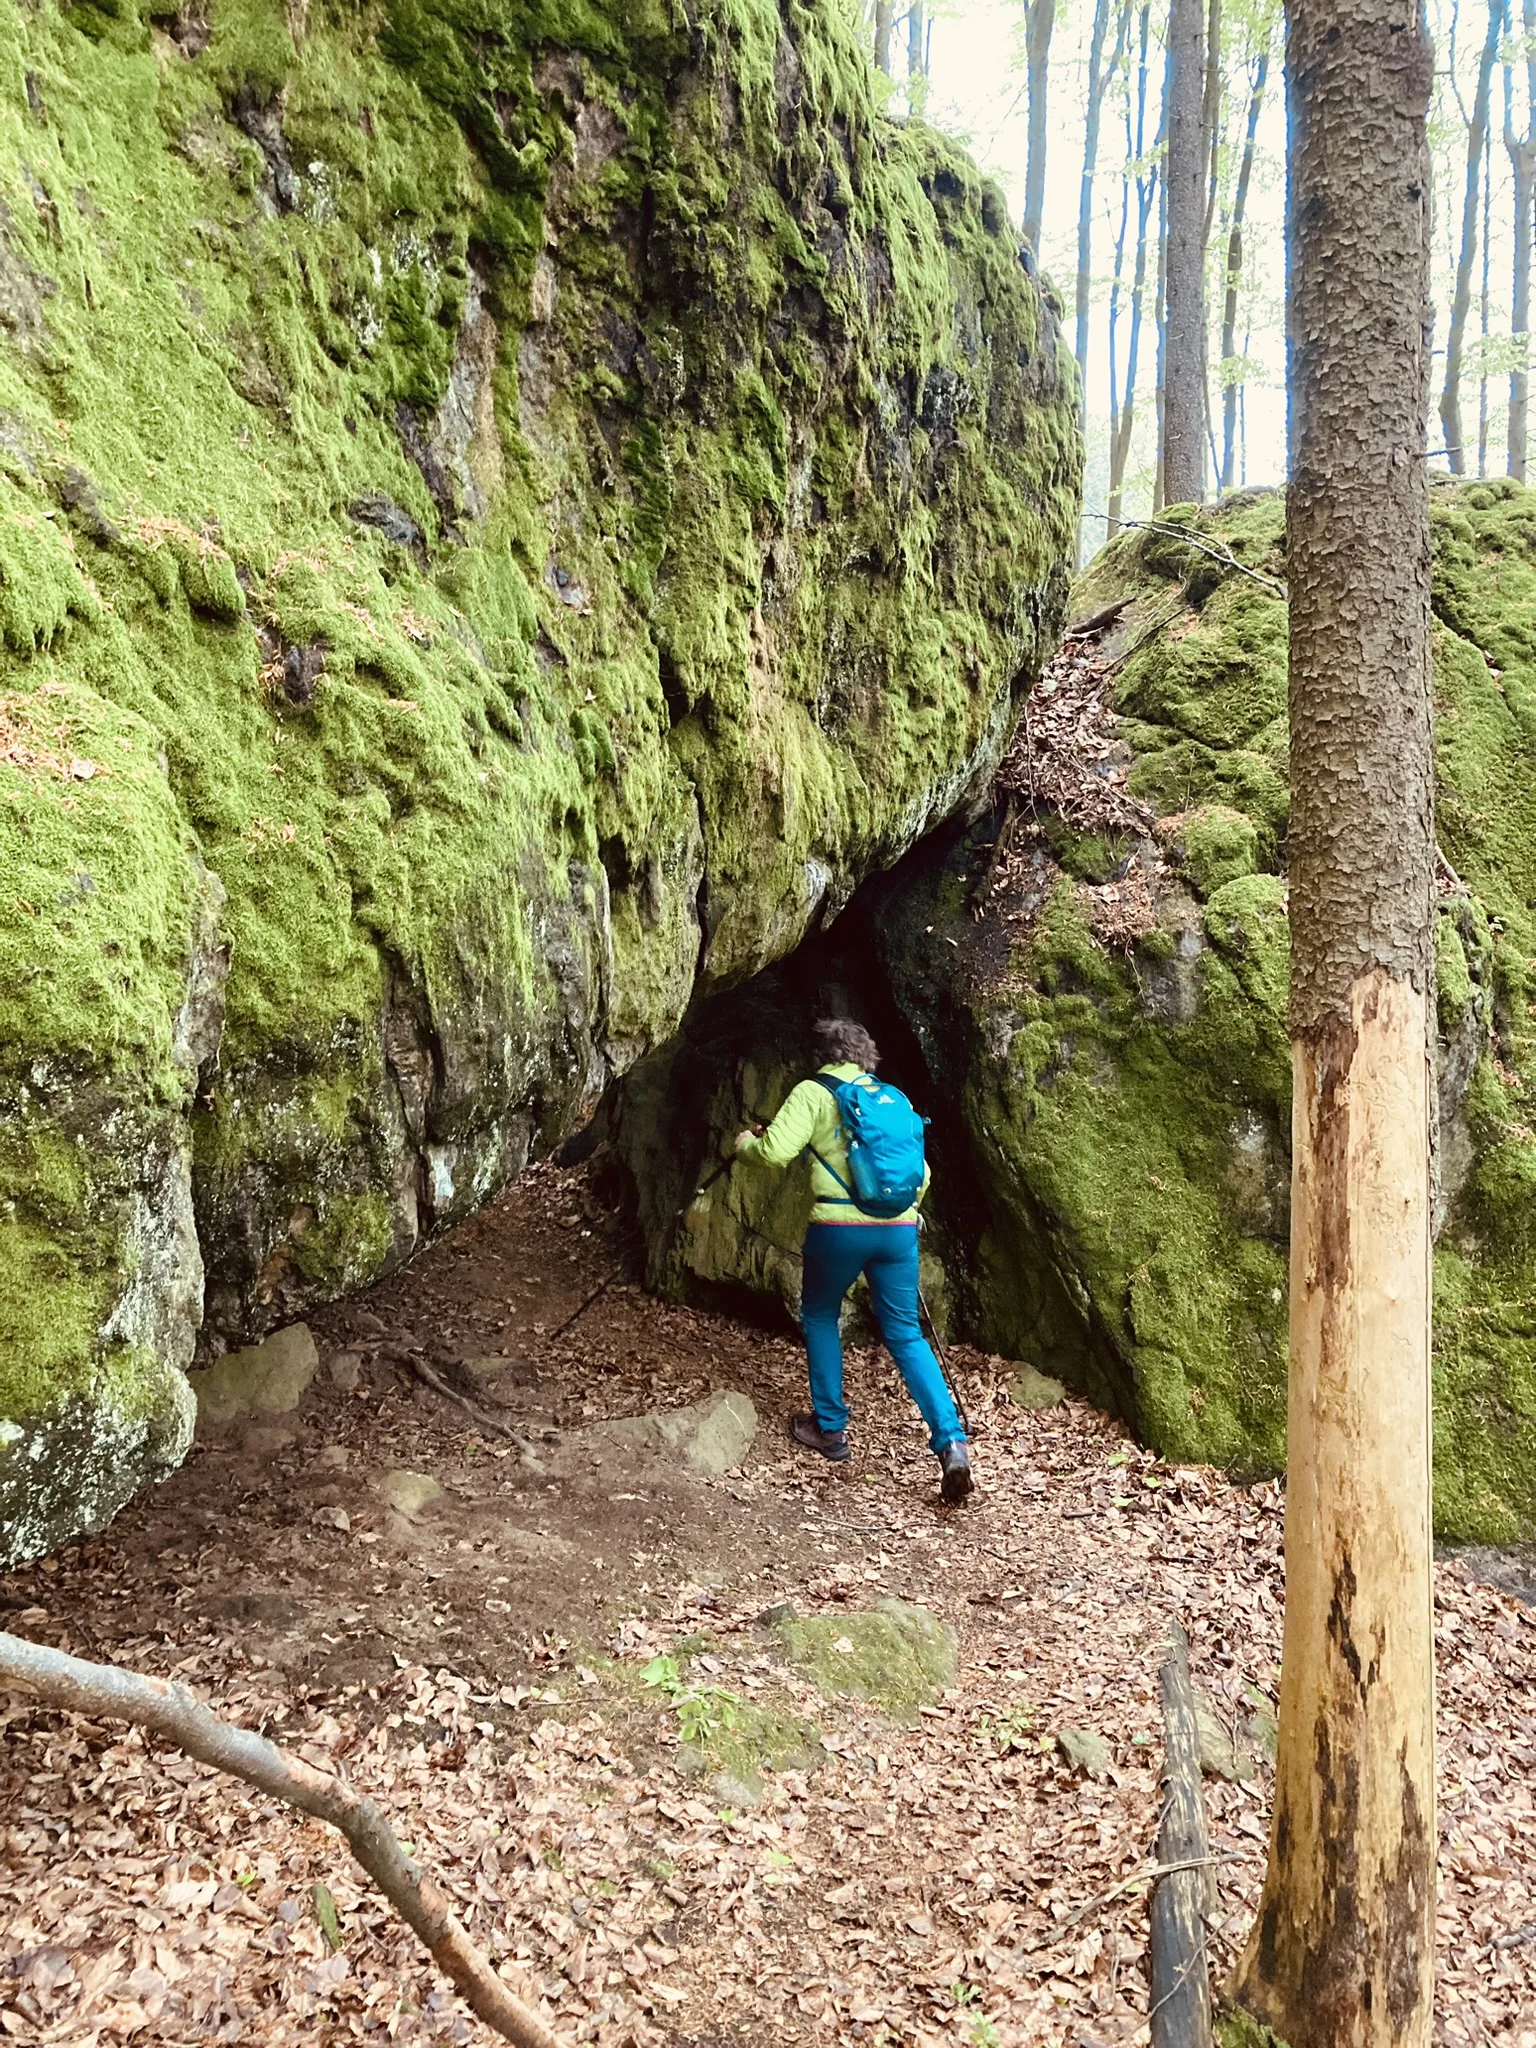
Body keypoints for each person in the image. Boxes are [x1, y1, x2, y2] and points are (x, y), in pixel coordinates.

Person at [734, 1018, 973, 1503]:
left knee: (821, 1315)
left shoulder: (813, 1093)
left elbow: (776, 1151)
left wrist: (745, 1147)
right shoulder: (893, 1099)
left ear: (822, 1054)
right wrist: (901, 1215)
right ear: (865, 1056)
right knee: (906, 1334)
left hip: (839, 1229)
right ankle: (951, 1442)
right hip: (899, 1230)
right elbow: (921, 1174)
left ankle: (831, 1429)